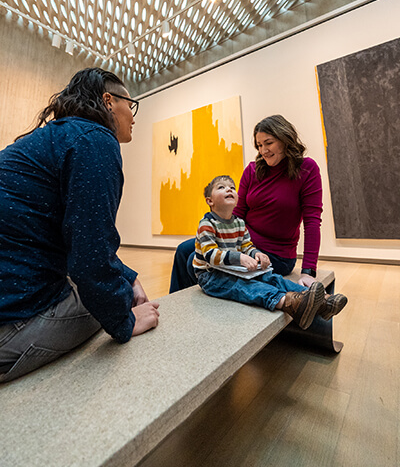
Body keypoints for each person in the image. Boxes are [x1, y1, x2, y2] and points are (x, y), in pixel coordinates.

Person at [0, 68, 159, 382]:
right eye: (132, 103)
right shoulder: (96, 140)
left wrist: (128, 276)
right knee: (101, 300)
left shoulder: (55, 136)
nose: (133, 114)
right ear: (108, 101)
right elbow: (89, 259)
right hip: (11, 320)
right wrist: (124, 320)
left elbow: (79, 236)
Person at [169, 115, 323, 292]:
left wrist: (308, 271)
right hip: (240, 241)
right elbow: (238, 213)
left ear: (284, 139)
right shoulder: (252, 170)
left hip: (275, 253)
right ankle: (175, 307)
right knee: (183, 251)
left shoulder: (307, 169)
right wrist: (215, 234)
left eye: (268, 143)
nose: (263, 150)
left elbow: (312, 222)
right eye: (259, 145)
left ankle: (212, 301)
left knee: (194, 260)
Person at [193, 175, 347, 328]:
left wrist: (256, 254)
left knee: (272, 278)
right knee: (247, 287)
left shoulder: (239, 223)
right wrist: (240, 257)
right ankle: (292, 304)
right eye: (221, 187)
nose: (229, 189)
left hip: (233, 270)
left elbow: (247, 246)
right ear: (210, 201)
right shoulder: (206, 224)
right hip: (211, 276)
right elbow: (210, 255)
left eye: (232, 187)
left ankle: (323, 301)